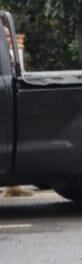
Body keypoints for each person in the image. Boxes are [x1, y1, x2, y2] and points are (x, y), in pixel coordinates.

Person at [2, 25, 33, 198]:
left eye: (8, 36)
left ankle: (13, 186)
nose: (8, 39)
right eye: (5, 36)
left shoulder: (10, 56)